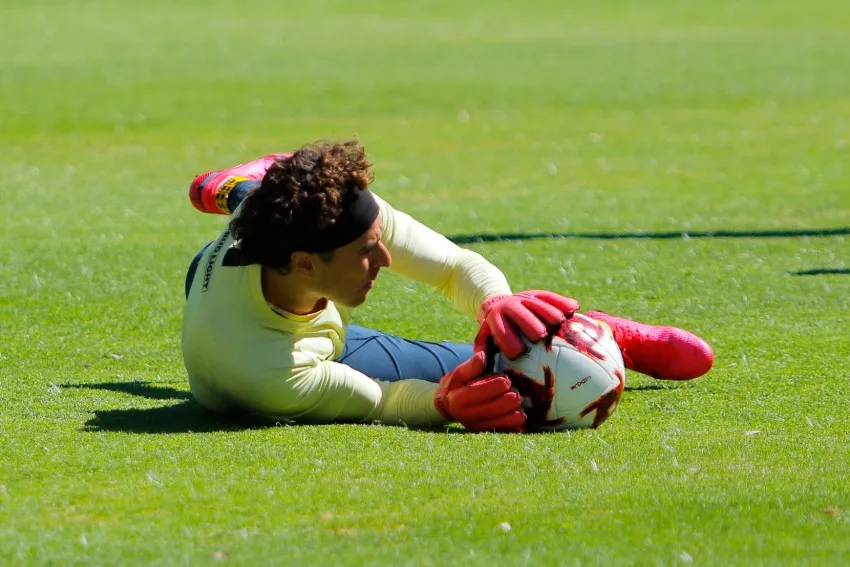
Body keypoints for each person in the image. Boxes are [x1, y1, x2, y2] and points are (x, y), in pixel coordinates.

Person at [182, 140, 713, 433]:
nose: (384, 258)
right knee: (499, 374)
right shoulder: (269, 371)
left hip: (269, 290)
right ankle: (585, 339)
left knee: (245, 198)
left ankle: (230, 183)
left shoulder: (320, 222)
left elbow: (453, 267)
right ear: (303, 264)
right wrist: (444, 405)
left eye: (377, 238)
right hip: (268, 358)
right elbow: (384, 403)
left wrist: (496, 302)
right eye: (367, 252)